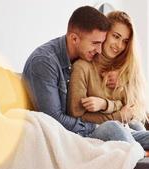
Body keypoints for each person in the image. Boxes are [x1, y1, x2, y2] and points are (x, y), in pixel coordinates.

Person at [67, 11, 149, 155]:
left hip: (127, 132)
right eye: (116, 37)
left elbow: (131, 111)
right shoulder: (82, 67)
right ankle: (144, 155)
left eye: (125, 41)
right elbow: (76, 115)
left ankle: (141, 154)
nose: (119, 45)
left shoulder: (123, 70)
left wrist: (116, 92)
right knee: (113, 127)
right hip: (97, 132)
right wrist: (115, 114)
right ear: (104, 34)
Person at [23, 6, 122, 137]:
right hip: (62, 134)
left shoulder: (84, 57)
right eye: (95, 43)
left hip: (87, 126)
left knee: (135, 126)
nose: (99, 50)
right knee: (114, 129)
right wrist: (95, 125)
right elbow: (54, 120)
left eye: (101, 43)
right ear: (74, 39)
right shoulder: (44, 62)